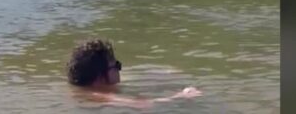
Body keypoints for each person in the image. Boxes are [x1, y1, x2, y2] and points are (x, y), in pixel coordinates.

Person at [67, 39, 202, 108]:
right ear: (99, 78)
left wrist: (160, 72)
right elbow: (142, 104)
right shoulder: (97, 96)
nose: (120, 70)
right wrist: (181, 96)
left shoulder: (86, 89)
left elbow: (132, 75)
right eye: (117, 66)